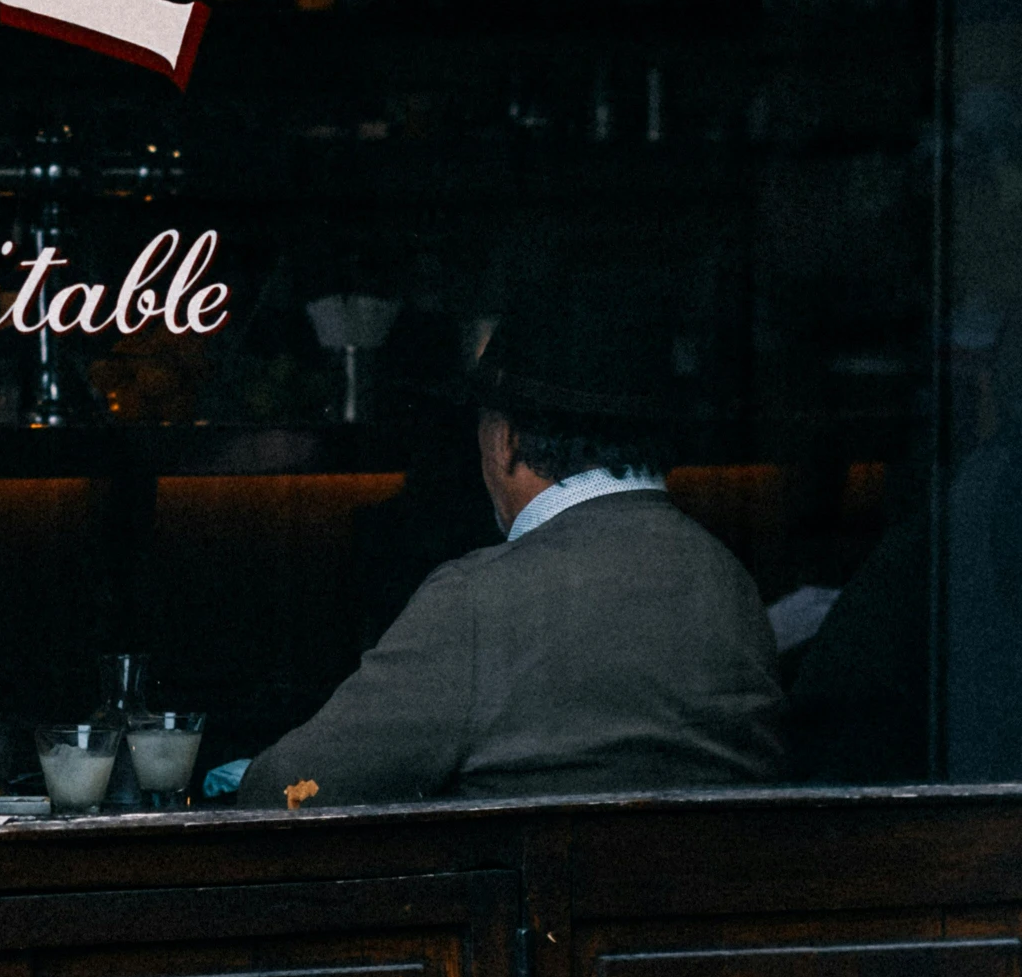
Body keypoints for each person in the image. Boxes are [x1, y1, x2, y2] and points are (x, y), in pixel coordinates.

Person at [235, 302, 784, 807]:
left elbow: (285, 793)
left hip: (538, 912)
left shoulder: (478, 601)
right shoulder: (728, 580)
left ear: (507, 440)